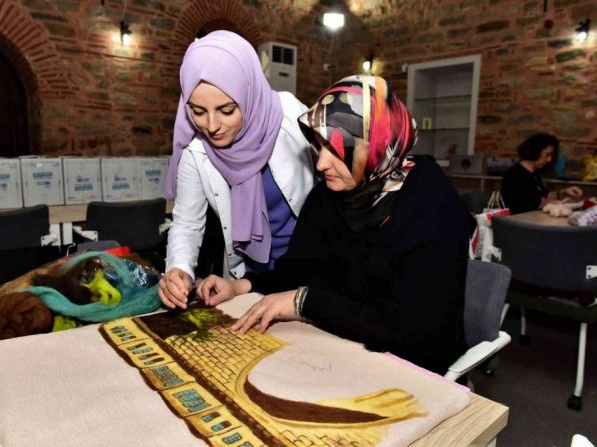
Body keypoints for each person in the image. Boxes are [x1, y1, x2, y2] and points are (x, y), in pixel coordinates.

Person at [195, 75, 473, 375]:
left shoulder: (433, 206)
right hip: (343, 348)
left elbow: (419, 334)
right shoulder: (328, 197)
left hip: (414, 368)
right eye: (319, 147)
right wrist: (240, 285)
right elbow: (296, 270)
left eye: (337, 150)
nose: (320, 164)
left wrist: (305, 302)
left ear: (376, 146)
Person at [158, 31, 316, 310]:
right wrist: (178, 269)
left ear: (248, 93)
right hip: (247, 279)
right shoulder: (196, 151)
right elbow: (187, 223)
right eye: (198, 111)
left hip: (307, 270)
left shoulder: (290, 116)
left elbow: (332, 183)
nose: (211, 125)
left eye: (227, 110)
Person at [501, 133, 582, 214]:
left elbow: (544, 195)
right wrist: (557, 203)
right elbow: (530, 202)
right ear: (535, 152)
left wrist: (563, 192)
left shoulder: (534, 173)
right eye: (547, 155)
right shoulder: (515, 175)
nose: (549, 160)